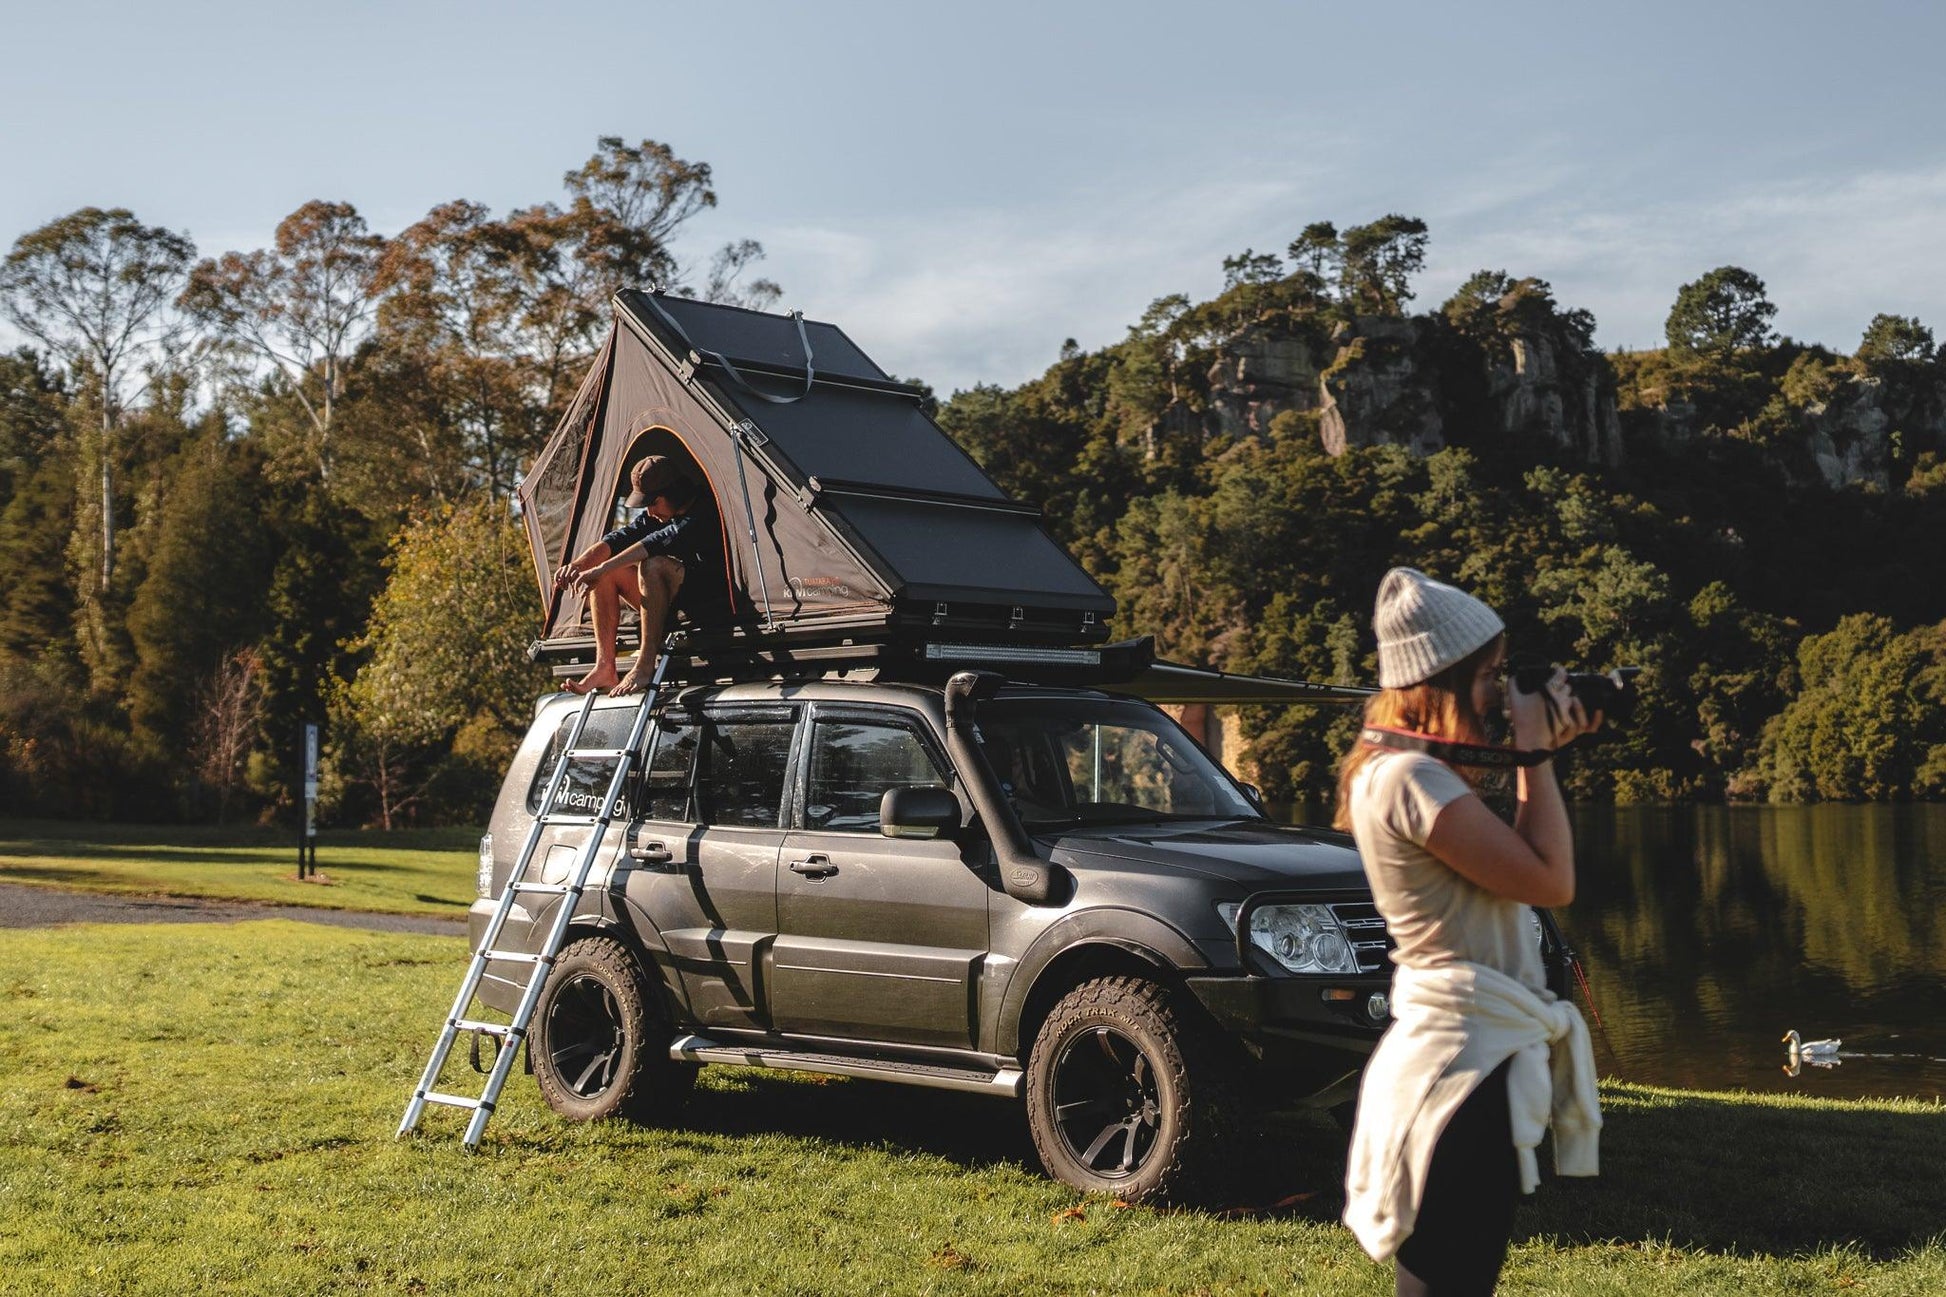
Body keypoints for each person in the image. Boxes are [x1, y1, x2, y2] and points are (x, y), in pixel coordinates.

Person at [1337, 567, 1605, 1297]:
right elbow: (1552, 881)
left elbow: (1523, 870)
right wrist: (1535, 752)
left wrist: (1533, 751)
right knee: (1449, 1279)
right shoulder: (1408, 780)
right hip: (1456, 1070)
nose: (1497, 691)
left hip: (1468, 1058)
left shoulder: (1413, 773)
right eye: (1489, 675)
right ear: (1444, 679)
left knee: (1460, 1277)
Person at [553, 454, 726, 696]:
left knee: (651, 565)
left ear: (672, 493)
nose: (650, 510)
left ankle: (645, 663)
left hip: (708, 599)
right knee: (607, 574)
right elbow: (620, 537)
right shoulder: (659, 512)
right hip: (672, 600)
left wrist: (602, 567)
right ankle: (605, 666)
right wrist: (581, 564)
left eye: (653, 502)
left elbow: (656, 542)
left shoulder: (705, 509)